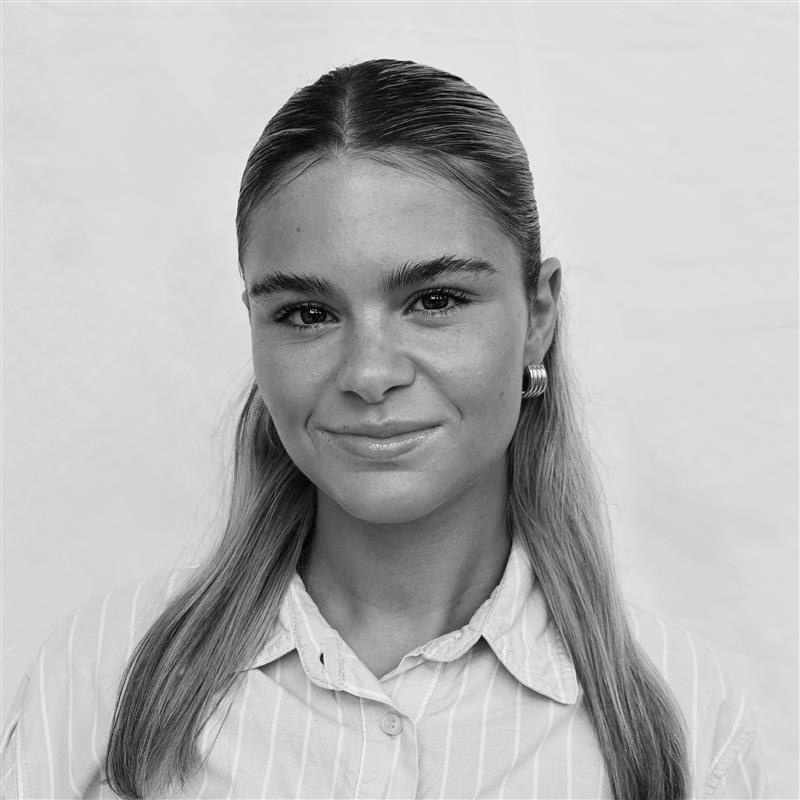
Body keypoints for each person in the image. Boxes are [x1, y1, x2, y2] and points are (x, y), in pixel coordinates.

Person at [1, 59, 763, 800]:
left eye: (434, 300)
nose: (369, 373)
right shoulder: (103, 670)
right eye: (308, 313)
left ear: (538, 319)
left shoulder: (689, 717)